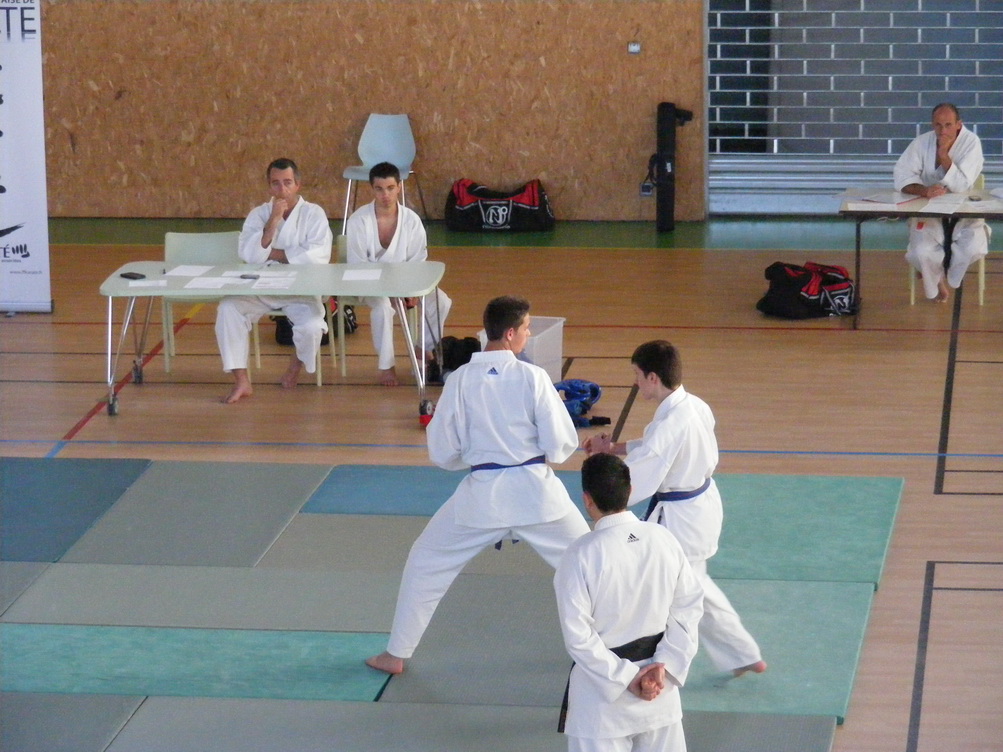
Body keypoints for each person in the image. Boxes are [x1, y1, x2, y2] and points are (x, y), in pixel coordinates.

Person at [365, 295, 591, 675]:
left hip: (481, 497)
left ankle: (396, 654)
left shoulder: (459, 380)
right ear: (510, 333)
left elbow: (442, 451)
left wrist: (477, 460)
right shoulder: (533, 377)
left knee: (425, 561)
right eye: (526, 328)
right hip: (538, 497)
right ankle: (622, 644)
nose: (528, 334)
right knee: (591, 562)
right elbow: (560, 445)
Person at [583, 340, 766, 679]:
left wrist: (601, 479)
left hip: (682, 520)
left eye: (637, 375)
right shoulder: (692, 405)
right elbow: (655, 446)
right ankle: (742, 653)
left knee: (683, 593)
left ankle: (669, 661)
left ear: (653, 377)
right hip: (698, 507)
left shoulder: (672, 422)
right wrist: (614, 448)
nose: (636, 382)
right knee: (693, 586)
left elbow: (643, 472)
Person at [555, 453, 703, 752]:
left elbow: (578, 637)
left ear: (587, 500)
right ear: (630, 491)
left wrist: (625, 678)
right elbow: (688, 607)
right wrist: (665, 666)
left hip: (602, 702)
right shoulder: (663, 538)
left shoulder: (579, 555)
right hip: (659, 692)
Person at [215, 157, 333, 404]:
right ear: (269, 186)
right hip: (261, 286)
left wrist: (273, 253)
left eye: (287, 183)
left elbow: (319, 255)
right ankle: (241, 381)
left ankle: (295, 367)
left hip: (301, 289)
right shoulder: (259, 214)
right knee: (228, 308)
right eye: (276, 183)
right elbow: (249, 255)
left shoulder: (314, 214)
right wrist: (272, 222)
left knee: (313, 327)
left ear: (298, 184)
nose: (282, 189)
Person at [346, 162, 451, 386]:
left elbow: (418, 261)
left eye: (390, 188)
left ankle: (422, 348)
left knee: (441, 301)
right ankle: (386, 365)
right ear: (371, 189)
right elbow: (357, 265)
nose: (385, 195)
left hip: (405, 283)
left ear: (399, 187)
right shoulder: (358, 220)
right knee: (383, 308)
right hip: (368, 285)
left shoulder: (411, 220)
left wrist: (411, 290)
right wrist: (390, 291)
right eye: (379, 189)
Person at [893, 103, 990, 303]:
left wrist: (944, 155)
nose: (943, 130)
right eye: (938, 125)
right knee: (921, 251)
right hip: (928, 208)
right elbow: (901, 176)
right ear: (932, 124)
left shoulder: (971, 143)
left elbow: (961, 184)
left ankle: (947, 275)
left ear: (958, 124)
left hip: (965, 209)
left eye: (948, 125)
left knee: (972, 246)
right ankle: (935, 282)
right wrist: (924, 190)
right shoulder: (922, 142)